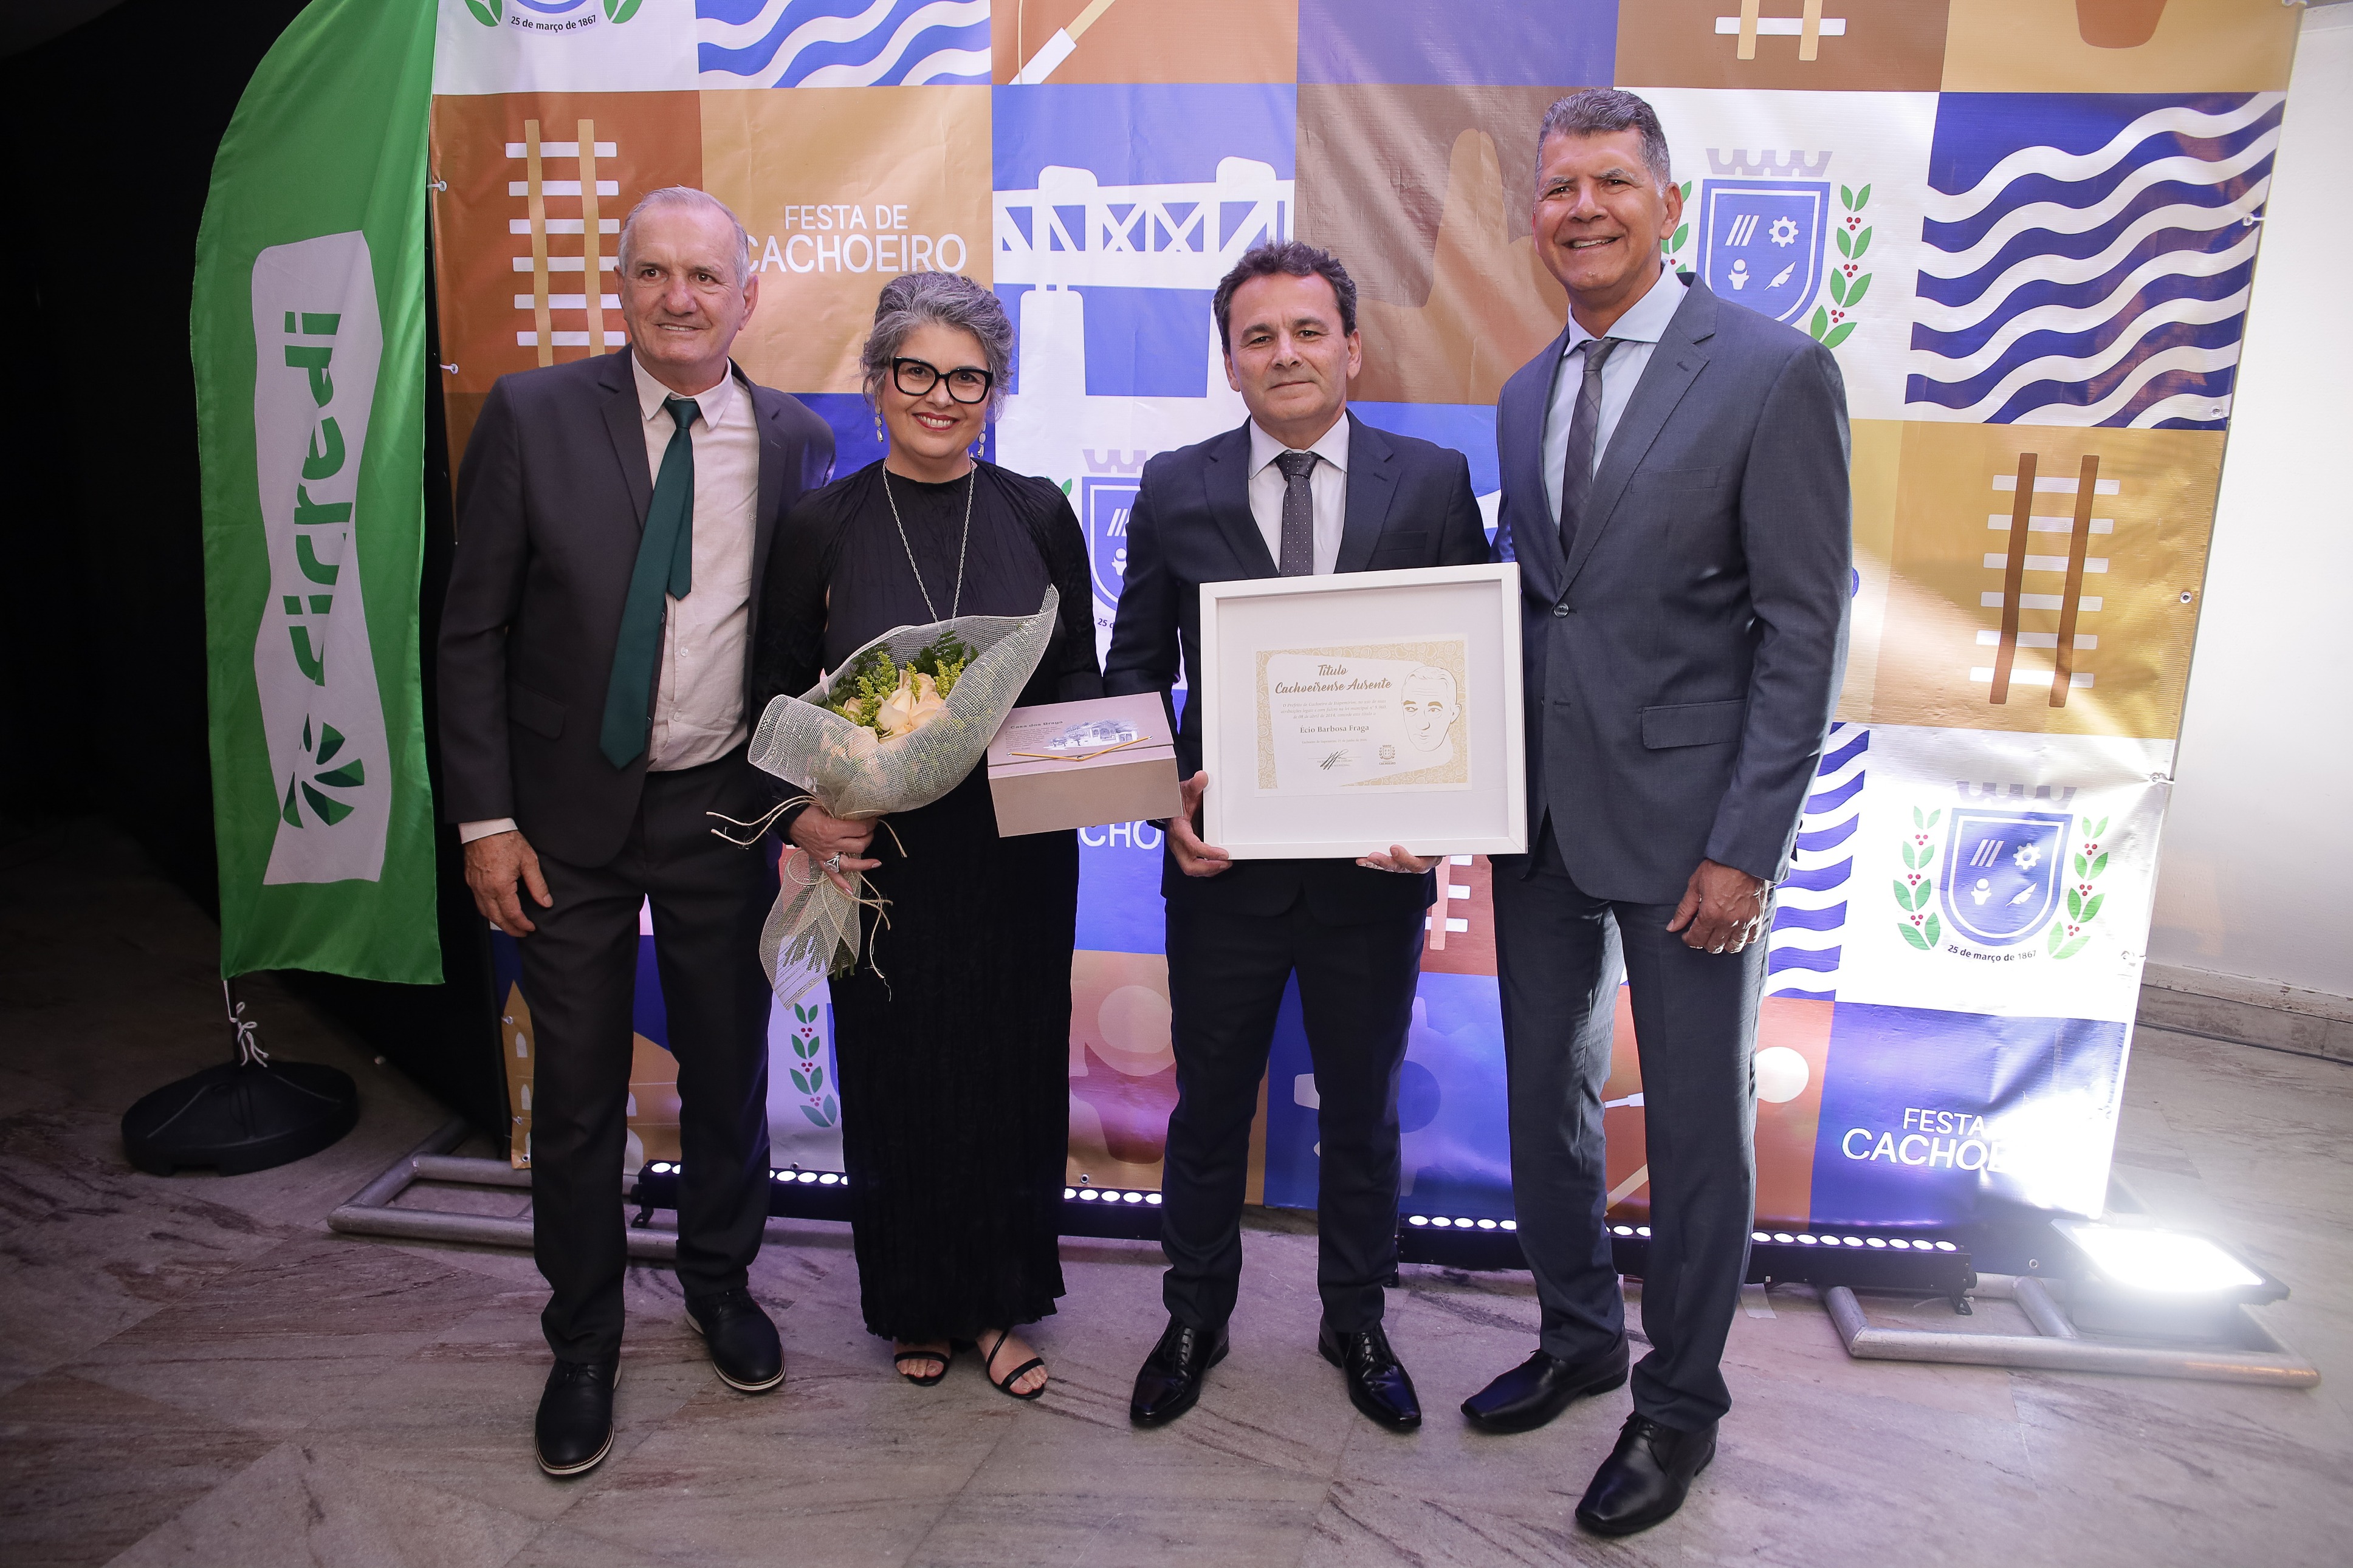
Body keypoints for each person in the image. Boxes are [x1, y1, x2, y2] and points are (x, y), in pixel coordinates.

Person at [1469, 89, 1850, 1535]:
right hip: (1539, 821)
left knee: (1694, 1130)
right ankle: (1577, 1335)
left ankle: (1677, 1405)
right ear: (1535, 217)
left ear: (1669, 205)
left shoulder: (1771, 371)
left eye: (1611, 184)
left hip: (1695, 836)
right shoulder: (1523, 391)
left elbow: (1802, 631)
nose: (1581, 209)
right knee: (1544, 1097)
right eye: (1558, 188)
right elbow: (1538, 611)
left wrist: (1745, 847)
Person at [439, 187, 836, 1477]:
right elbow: (471, 630)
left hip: (721, 807)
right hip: (561, 820)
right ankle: (584, 1338)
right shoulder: (532, 415)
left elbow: (802, 647)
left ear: (747, 297)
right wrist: (487, 821)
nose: (680, 297)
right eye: (654, 272)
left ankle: (720, 1283)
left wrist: (808, 794)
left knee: (727, 1071)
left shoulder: (798, 441)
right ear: (620, 288)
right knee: (574, 1094)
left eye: (705, 277)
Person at [1104, 242, 1488, 1431]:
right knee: (1208, 1106)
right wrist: (1161, 800)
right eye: (1258, 337)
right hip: (1223, 873)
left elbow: (1473, 668)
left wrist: (1445, 815)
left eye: (1308, 331)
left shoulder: (1432, 482)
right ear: (1229, 363)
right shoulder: (1174, 486)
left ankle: (1355, 1318)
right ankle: (1194, 1315)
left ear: (1352, 348)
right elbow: (1133, 668)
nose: (1285, 354)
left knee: (1363, 1109)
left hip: (1372, 880)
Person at [751, 272, 1102, 1401]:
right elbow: (769, 700)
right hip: (880, 858)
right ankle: (914, 1298)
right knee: (897, 1076)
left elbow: (1079, 678)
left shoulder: (1038, 512)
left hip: (1019, 855)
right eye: (917, 371)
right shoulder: (822, 524)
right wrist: (806, 817)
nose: (941, 397)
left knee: (1011, 1069)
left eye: (968, 377)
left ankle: (999, 1301)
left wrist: (1107, 763)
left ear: (995, 392)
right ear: (877, 380)